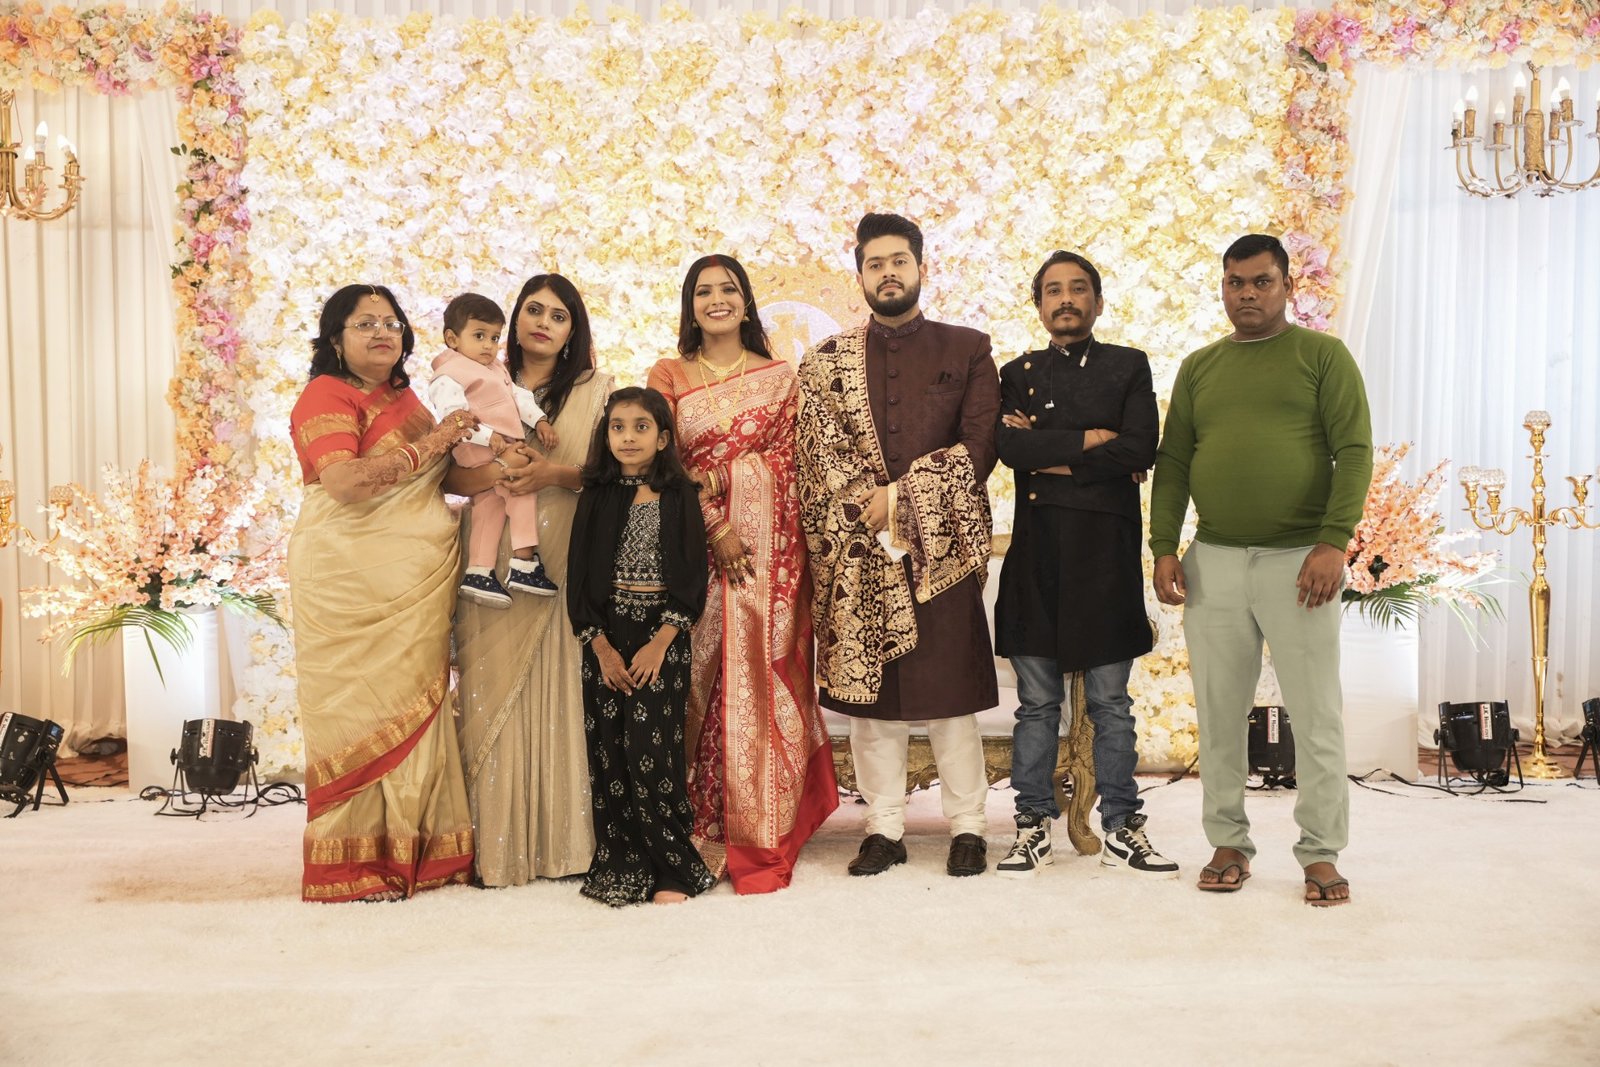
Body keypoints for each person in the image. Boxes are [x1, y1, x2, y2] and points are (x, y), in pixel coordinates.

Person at [1149, 233, 1373, 906]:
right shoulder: (1200, 367)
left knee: (1316, 714)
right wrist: (1164, 546)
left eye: (1261, 281)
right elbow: (1174, 462)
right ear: (1223, 287)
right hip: (1214, 561)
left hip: (1302, 562)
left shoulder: (1322, 356)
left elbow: (1354, 450)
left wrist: (1333, 542)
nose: (1246, 293)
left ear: (1287, 286)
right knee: (1219, 714)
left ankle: (1321, 852)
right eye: (1235, 282)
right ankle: (1227, 842)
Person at [796, 212, 1000, 879]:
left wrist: (903, 498)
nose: (888, 273)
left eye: (899, 261)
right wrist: (871, 507)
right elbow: (818, 456)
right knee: (874, 702)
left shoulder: (967, 348)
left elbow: (980, 447)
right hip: (860, 550)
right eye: (875, 263)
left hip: (941, 552)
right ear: (860, 275)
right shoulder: (826, 363)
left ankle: (968, 826)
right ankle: (883, 827)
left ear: (921, 268)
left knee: (950, 697)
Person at [647, 254, 839, 895]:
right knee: (698, 682)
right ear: (690, 306)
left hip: (768, 559)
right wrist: (715, 525)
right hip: (692, 550)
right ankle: (698, 822)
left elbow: (792, 464)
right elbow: (663, 463)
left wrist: (730, 477)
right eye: (703, 291)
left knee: (758, 676)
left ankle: (760, 824)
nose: (717, 300)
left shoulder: (779, 377)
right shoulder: (669, 375)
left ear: (746, 301)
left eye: (728, 289)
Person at [287, 283, 478, 903]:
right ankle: (356, 861)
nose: (382, 333)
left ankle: (421, 851)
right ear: (335, 338)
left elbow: (439, 477)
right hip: (350, 578)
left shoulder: (406, 398)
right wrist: (437, 439)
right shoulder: (327, 394)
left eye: (392, 323)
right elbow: (345, 483)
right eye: (365, 323)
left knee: (419, 705)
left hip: (414, 578)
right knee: (357, 712)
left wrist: (506, 468)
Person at [993, 250, 1177, 879]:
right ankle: (1032, 825)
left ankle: (1123, 825)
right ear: (1038, 304)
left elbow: (1140, 447)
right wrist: (1095, 441)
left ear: (1098, 302)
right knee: (1037, 706)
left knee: (1110, 704)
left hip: (1106, 557)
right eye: (1053, 290)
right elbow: (1010, 449)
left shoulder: (1128, 364)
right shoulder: (1016, 372)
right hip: (1037, 557)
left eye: (1077, 289)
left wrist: (1051, 453)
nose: (1065, 300)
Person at [447, 274, 613, 887]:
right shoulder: (474, 379)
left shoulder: (597, 391)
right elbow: (448, 477)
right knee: (488, 687)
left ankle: (562, 847)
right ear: (514, 321)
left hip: (563, 555)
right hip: (488, 559)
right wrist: (495, 471)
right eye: (534, 310)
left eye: (559, 315)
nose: (544, 323)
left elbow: (615, 473)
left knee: (558, 686)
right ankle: (495, 849)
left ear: (574, 330)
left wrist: (550, 475)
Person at [567, 387, 715, 907]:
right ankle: (623, 863)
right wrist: (602, 649)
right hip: (606, 636)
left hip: (663, 636)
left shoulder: (680, 495)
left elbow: (692, 579)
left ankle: (673, 869)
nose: (628, 437)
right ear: (605, 436)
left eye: (641, 427)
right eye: (618, 427)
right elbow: (579, 580)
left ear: (663, 438)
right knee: (610, 752)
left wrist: (660, 644)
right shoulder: (596, 495)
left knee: (652, 752)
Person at [428, 292, 559, 607]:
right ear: (452, 339)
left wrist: (540, 420)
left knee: (490, 506)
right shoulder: (448, 374)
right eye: (479, 336)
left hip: (495, 446)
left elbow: (518, 397)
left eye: (494, 337)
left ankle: (478, 572)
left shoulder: (494, 368)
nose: (488, 345)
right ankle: (524, 563)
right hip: (479, 448)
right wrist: (488, 437)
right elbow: (453, 419)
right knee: (521, 488)